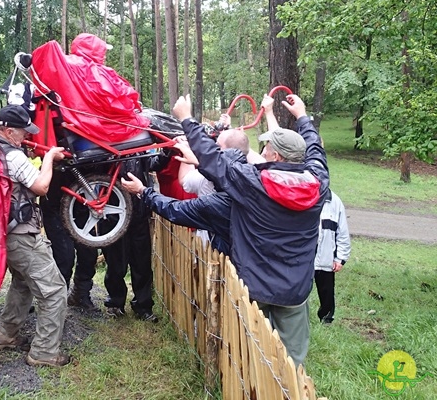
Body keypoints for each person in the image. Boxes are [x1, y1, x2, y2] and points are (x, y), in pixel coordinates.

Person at [122, 93, 329, 366]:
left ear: (276, 155)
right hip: (295, 290)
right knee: (292, 361)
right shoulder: (318, 182)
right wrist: (302, 117)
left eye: (267, 149)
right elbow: (316, 151)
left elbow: (213, 161)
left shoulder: (253, 185)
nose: (263, 151)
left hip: (255, 288)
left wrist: (186, 119)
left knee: (251, 356)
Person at [0, 104, 71, 367]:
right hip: (20, 234)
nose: (27, 136)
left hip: (2, 233)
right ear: (9, 131)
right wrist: (48, 159)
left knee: (22, 282)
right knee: (54, 290)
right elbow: (42, 187)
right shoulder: (13, 156)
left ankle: (4, 335)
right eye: (23, 132)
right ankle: (45, 352)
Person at [103, 158, 158, 323]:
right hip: (113, 216)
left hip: (138, 215)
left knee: (142, 264)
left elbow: (155, 162)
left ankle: (143, 306)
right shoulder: (104, 149)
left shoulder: (140, 148)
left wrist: (168, 151)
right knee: (115, 263)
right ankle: (115, 302)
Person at [41, 169, 100, 311]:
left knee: (89, 253)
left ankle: (80, 295)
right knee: (65, 257)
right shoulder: (53, 151)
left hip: (81, 205)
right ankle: (56, 305)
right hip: (54, 206)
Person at [315, 191, 350, 324]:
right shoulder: (300, 194)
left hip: (326, 257)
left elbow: (342, 232)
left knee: (327, 292)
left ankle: (327, 319)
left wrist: (340, 258)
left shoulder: (335, 202)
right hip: (304, 259)